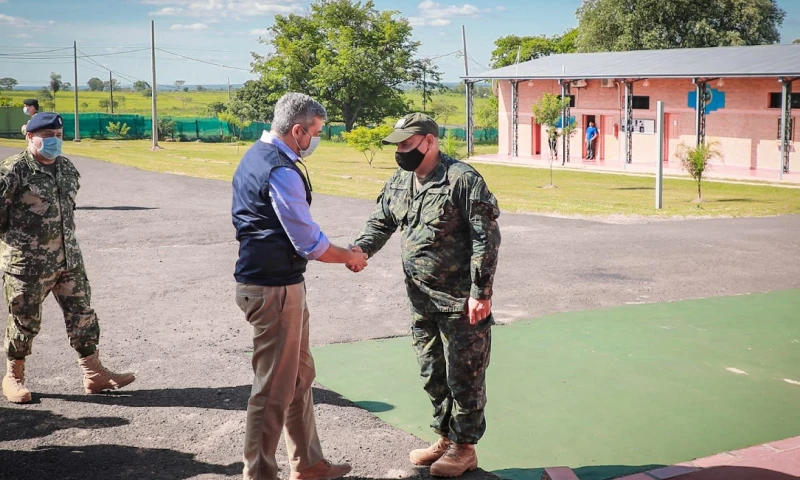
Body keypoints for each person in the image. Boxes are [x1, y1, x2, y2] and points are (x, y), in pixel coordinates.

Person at [351, 113, 501, 478]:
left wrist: (480, 291)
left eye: (406, 144)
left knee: (464, 376)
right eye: (398, 145)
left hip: (459, 303)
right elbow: (382, 220)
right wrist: (360, 250)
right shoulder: (402, 180)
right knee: (431, 372)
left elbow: (486, 237)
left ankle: (464, 448)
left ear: (429, 142)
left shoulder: (461, 180)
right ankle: (444, 436)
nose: (400, 151)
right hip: (421, 299)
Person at [231, 92, 366, 480]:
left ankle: (309, 464)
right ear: (296, 130)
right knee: (273, 389)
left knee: (300, 376)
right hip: (274, 291)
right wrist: (351, 256)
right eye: (316, 132)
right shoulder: (280, 169)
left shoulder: (258, 155)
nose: (317, 140)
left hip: (278, 284)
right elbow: (309, 242)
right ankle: (259, 474)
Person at [1, 113, 136, 404]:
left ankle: (94, 374)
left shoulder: (66, 168)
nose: (54, 141)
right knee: (24, 321)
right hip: (27, 265)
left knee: (83, 315)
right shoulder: (13, 171)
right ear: (30, 136)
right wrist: (17, 249)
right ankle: (14, 376)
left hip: (68, 260)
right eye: (48, 135)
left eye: (59, 135)